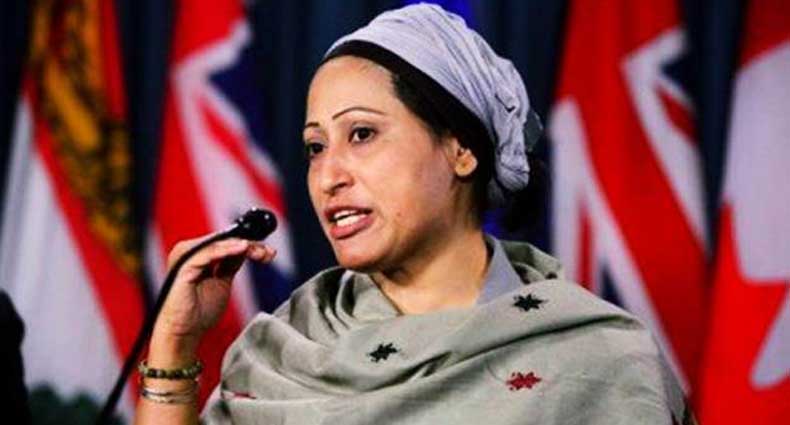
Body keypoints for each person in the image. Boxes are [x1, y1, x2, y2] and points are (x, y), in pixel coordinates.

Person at [134, 4, 693, 424]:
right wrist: (174, 346)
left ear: (461, 149)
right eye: (315, 147)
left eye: (362, 134)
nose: (329, 176)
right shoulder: (279, 354)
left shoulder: (600, 361)